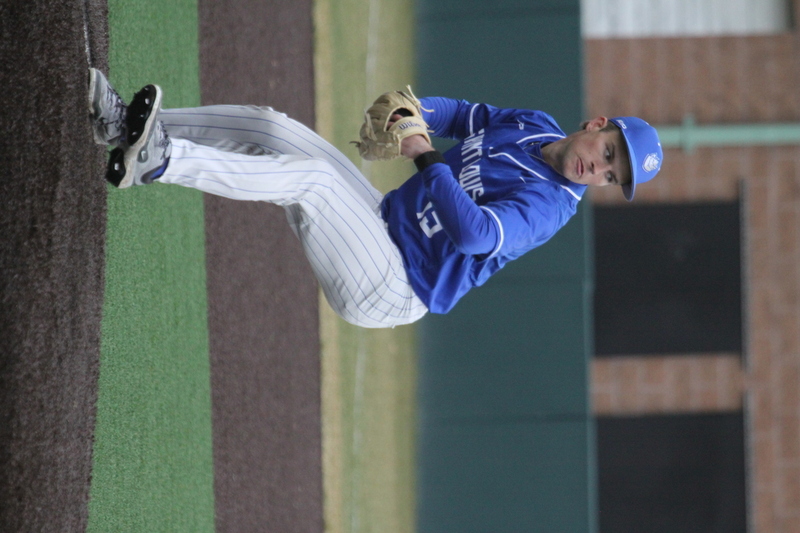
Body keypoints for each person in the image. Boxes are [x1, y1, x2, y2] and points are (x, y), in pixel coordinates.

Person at [88, 68, 663, 329]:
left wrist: (421, 150)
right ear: (597, 123)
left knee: (311, 180)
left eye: (612, 176)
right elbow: (463, 116)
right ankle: (128, 128)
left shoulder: (549, 208)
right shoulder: (534, 126)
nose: (601, 169)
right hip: (380, 221)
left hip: (392, 285)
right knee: (273, 129)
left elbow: (475, 235)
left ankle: (159, 161)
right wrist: (415, 115)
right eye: (611, 152)